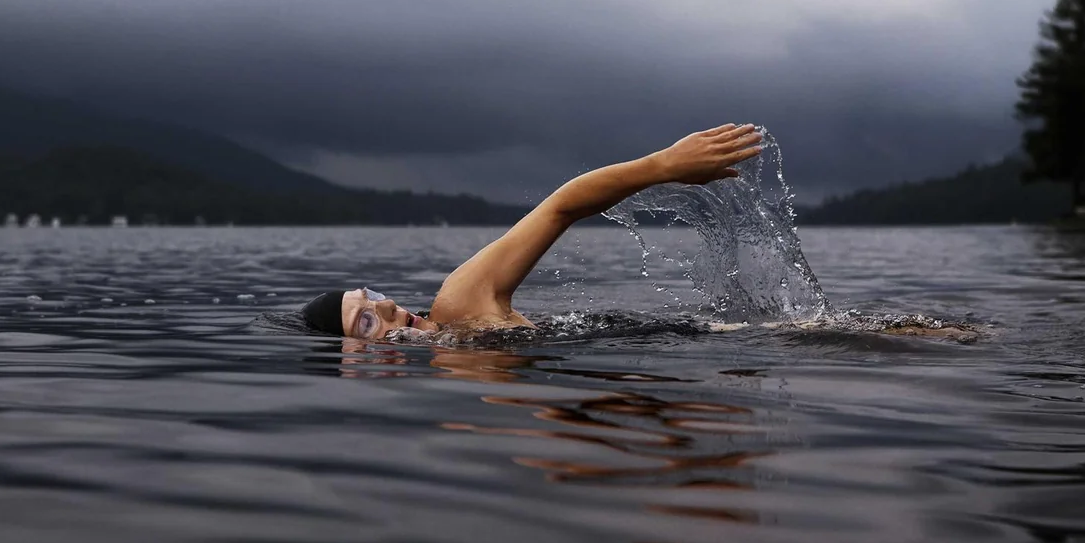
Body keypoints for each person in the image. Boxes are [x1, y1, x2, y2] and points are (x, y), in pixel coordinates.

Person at [300, 123, 765, 340]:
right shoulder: (457, 383)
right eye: (366, 320)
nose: (386, 304)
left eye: (372, 295)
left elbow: (559, 208)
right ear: (354, 362)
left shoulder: (459, 306)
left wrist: (662, 166)